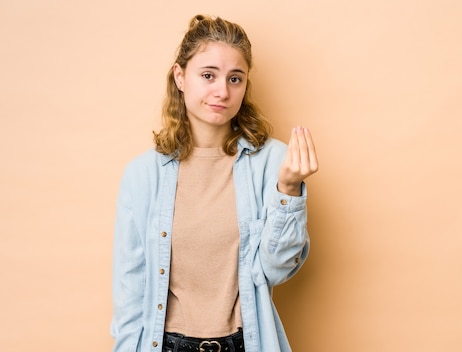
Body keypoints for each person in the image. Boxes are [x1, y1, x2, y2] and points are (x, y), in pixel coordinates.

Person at [111, 14, 318, 352]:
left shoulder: (273, 163)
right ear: (180, 77)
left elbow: (275, 270)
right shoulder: (142, 175)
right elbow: (130, 292)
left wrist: (289, 191)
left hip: (244, 344)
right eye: (208, 75)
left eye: (235, 79)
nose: (222, 91)